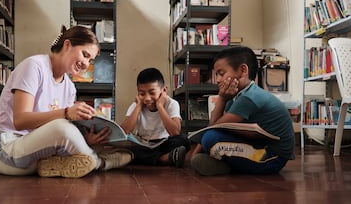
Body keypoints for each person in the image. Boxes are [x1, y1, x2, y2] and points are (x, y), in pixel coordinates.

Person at [0, 25, 133, 178]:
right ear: (67, 45)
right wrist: (65, 113)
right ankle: (100, 162)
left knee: (72, 131)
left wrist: (87, 138)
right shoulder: (34, 66)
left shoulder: (70, 87)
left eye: (90, 60)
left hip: (40, 154)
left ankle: (63, 162)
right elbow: (20, 121)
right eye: (85, 55)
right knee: (61, 127)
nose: (86, 64)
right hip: (7, 150)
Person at [190, 46, 295, 175]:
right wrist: (194, 156)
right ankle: (220, 163)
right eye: (216, 74)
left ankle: (227, 167)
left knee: (211, 139)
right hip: (257, 145)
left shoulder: (249, 97)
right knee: (208, 138)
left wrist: (222, 98)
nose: (217, 80)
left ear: (243, 70)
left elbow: (215, 126)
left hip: (272, 157)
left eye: (221, 74)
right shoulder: (237, 96)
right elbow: (214, 125)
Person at [120, 67, 190, 168]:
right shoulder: (136, 105)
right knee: (124, 145)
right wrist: (139, 106)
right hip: (143, 144)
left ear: (164, 90)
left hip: (165, 143)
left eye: (152, 93)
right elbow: (125, 131)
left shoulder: (172, 104)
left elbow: (175, 132)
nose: (147, 98)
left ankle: (151, 158)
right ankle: (165, 158)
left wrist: (160, 106)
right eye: (142, 93)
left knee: (184, 140)